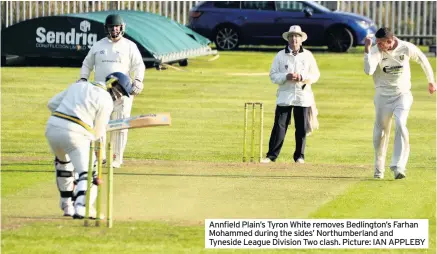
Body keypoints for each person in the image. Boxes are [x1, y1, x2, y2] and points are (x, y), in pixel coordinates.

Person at [45, 72, 132, 218]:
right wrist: (99, 152)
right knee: (89, 172)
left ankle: (67, 206)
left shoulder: (78, 85)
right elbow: (99, 132)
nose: (119, 97)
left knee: (64, 165)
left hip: (52, 127)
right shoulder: (106, 100)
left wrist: (69, 118)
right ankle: (82, 208)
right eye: (120, 92)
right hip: (76, 134)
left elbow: (52, 104)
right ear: (113, 84)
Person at [364, 27, 436, 179]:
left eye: (381, 43)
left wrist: (431, 81)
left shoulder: (406, 47)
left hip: (402, 94)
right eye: (377, 42)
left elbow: (423, 60)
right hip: (382, 97)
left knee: (401, 123)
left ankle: (399, 166)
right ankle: (379, 170)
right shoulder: (376, 50)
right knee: (381, 133)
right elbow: (368, 70)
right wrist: (367, 50)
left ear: (390, 41)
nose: (378, 44)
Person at [79, 14, 145, 168]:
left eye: (117, 27)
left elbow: (139, 65)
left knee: (120, 125)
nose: (114, 30)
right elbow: (87, 64)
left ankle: (116, 158)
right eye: (111, 27)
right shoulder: (98, 45)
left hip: (122, 93)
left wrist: (138, 81)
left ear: (122, 27)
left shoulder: (129, 46)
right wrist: (83, 78)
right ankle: (99, 156)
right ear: (106, 28)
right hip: (101, 92)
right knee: (98, 124)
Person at [261, 25, 320, 164]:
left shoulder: (308, 55)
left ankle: (299, 156)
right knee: (279, 126)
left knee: (301, 128)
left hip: (302, 95)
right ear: (288, 39)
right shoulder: (280, 55)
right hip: (285, 95)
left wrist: (302, 77)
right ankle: (271, 156)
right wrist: (285, 76)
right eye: (291, 36)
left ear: (301, 40)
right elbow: (273, 75)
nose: (294, 39)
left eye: (297, 36)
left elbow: (316, 75)